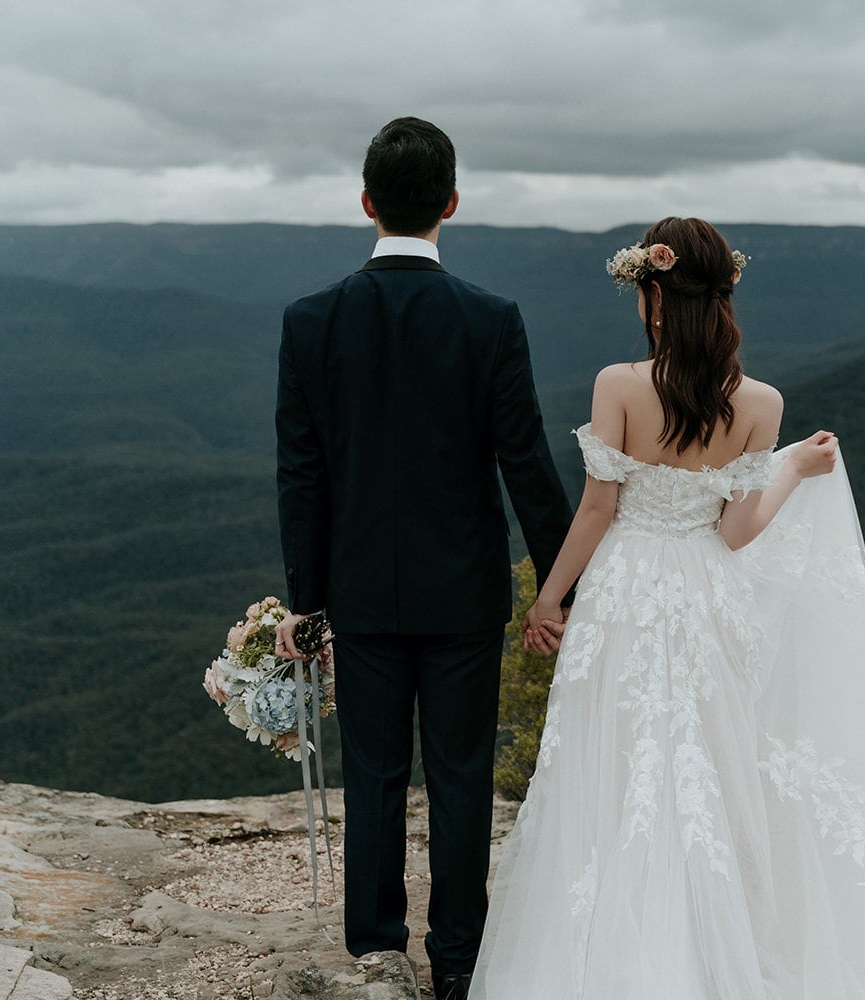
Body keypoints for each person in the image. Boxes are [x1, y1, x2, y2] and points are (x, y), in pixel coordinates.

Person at [471, 217, 865, 999]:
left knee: (611, 760)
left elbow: (595, 511)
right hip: (705, 592)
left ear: (653, 297)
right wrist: (793, 469)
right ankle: (717, 943)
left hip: (623, 591)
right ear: (722, 299)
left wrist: (549, 601)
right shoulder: (761, 401)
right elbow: (738, 528)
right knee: (709, 762)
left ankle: (606, 942)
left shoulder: (617, 385)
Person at [273, 117, 575, 1000]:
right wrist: (564, 588)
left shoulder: (310, 321)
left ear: (366, 203)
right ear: (451, 203)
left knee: (372, 771)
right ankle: (457, 961)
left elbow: (302, 475)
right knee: (461, 773)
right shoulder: (491, 320)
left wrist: (307, 600)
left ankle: (375, 951)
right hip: (466, 594)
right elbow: (526, 466)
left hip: (360, 593)